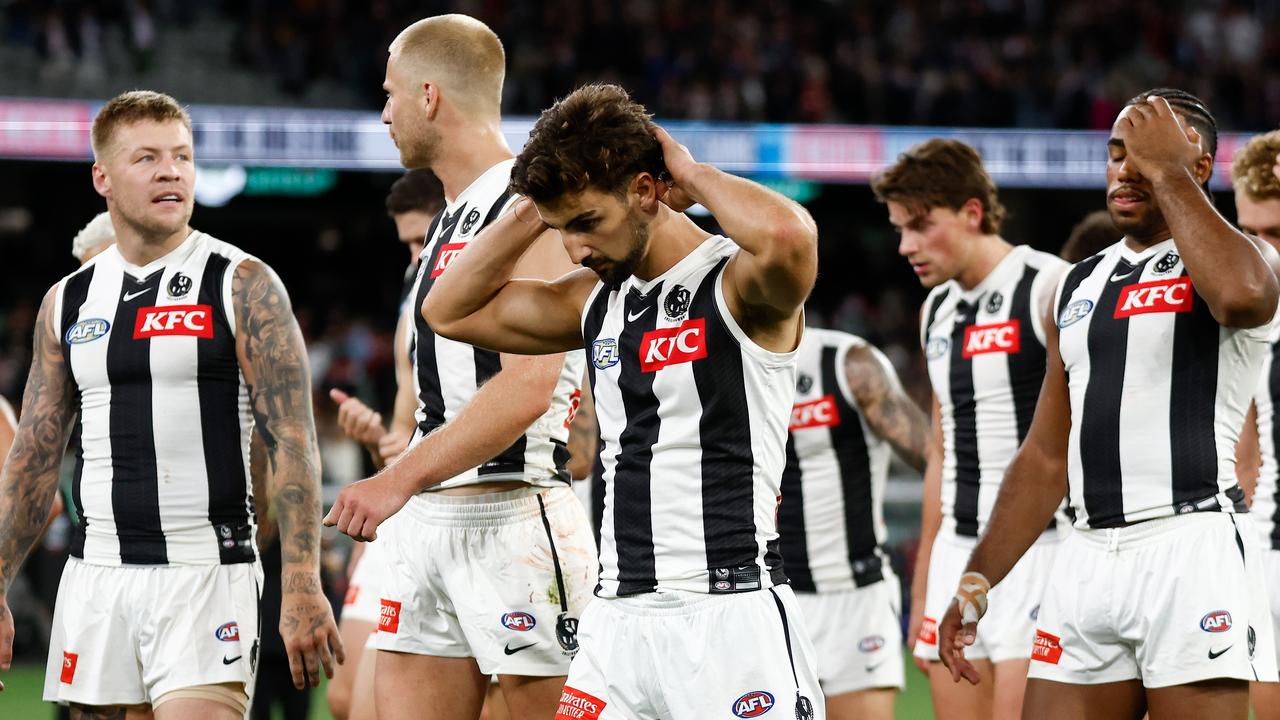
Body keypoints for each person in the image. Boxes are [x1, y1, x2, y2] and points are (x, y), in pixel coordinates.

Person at [422, 81, 825, 720]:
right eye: (564, 229)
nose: (576, 248)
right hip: (614, 621)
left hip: (728, 613)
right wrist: (534, 207)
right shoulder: (594, 301)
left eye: (588, 223)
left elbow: (789, 238)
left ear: (643, 190)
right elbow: (446, 307)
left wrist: (692, 173)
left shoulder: (738, 284)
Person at [937, 89, 1280, 720]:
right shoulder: (1078, 283)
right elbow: (1045, 456)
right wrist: (976, 579)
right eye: (1116, 155)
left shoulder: (1243, 259)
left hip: (1191, 545)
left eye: (1144, 157)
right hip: (1086, 556)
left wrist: (1171, 174)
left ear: (1197, 168)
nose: (1125, 170)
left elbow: (1242, 297)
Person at [0, 90, 342, 717]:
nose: (171, 171)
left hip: (206, 572)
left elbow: (293, 441)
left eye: (182, 157)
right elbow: (33, 455)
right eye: (148, 158)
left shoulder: (242, 282)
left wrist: (301, 580)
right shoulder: (67, 302)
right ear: (102, 176)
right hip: (97, 573)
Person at [322, 15, 596, 720]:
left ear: (430, 96)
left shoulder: (528, 203)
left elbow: (529, 386)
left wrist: (395, 479)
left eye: (390, 95)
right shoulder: (447, 219)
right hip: (428, 523)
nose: (383, 113)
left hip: (516, 514)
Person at [870, 138, 1068, 720]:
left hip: (1043, 551)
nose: (905, 245)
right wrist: (926, 576)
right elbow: (942, 449)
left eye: (920, 225)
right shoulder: (938, 310)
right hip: (958, 556)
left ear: (972, 212)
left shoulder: (1049, 287)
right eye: (899, 229)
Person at [325, 169, 443, 720]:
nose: (417, 255)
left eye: (425, 237)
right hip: (407, 511)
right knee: (346, 696)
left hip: (474, 512)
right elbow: (402, 438)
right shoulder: (411, 309)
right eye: (409, 244)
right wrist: (378, 444)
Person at [779, 326, 929, 719]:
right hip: (768, 599)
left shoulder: (850, 364)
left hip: (855, 595)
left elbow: (936, 464)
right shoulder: (724, 363)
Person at [1229, 129, 1280, 720]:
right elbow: (1245, 459)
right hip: (1268, 558)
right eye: (1251, 233)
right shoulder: (1244, 321)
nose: (1264, 252)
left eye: (1278, 233)